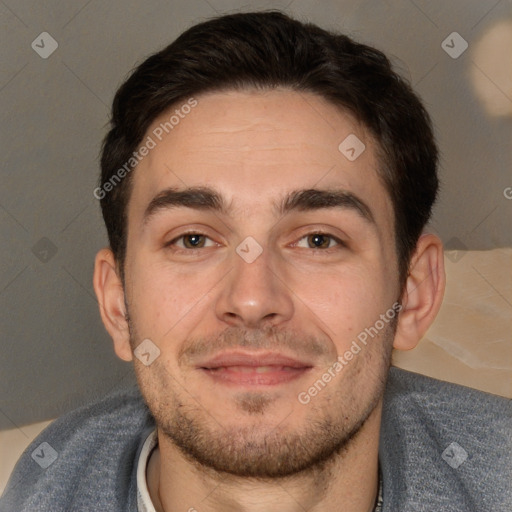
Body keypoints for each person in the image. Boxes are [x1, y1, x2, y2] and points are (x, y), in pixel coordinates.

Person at [1, 10, 510, 512]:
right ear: (117, 303)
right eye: (194, 240)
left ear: (413, 293)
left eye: (317, 240)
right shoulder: (40, 487)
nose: (251, 299)